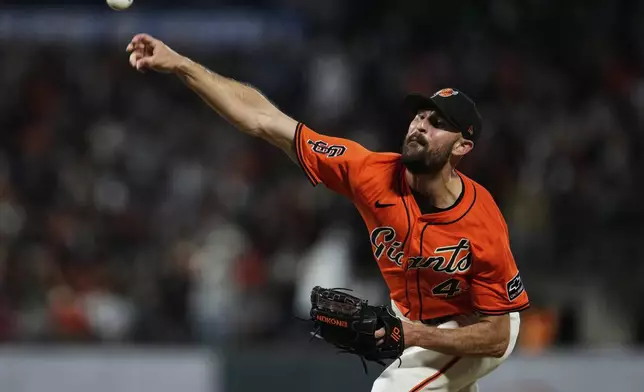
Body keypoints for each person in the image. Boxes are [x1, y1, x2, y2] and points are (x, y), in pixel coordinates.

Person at [126, 33, 530, 392]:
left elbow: (496, 336)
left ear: (462, 147)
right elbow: (265, 120)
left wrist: (409, 334)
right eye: (420, 114)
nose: (421, 125)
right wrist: (181, 64)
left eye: (439, 123)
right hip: (418, 321)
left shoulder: (482, 222)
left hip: (475, 327)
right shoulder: (369, 172)